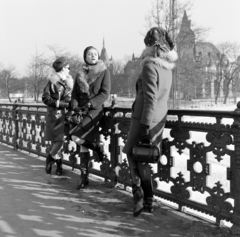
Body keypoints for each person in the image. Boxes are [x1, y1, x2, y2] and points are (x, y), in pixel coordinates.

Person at [122, 27, 178, 217]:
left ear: (150, 47)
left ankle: (139, 192)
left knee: (131, 153)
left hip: (144, 119)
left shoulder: (149, 66)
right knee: (142, 158)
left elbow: (150, 98)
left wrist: (144, 126)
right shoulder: (167, 69)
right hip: (158, 120)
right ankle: (147, 200)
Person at [70, 46, 111, 189]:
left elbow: (105, 93)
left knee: (75, 136)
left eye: (95, 54)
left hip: (94, 110)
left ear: (98, 56)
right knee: (82, 144)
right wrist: (75, 106)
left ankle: (97, 147)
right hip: (80, 110)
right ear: (85, 57)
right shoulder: (80, 72)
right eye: (89, 54)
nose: (93, 56)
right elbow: (74, 93)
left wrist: (91, 103)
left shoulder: (104, 71)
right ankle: (84, 178)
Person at [42, 56, 73, 175]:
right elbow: (45, 98)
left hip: (66, 115)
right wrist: (59, 103)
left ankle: (58, 166)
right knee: (58, 141)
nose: (69, 70)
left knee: (58, 141)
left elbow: (71, 98)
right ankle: (50, 159)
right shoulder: (52, 81)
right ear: (63, 68)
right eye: (68, 67)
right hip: (55, 114)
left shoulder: (69, 81)